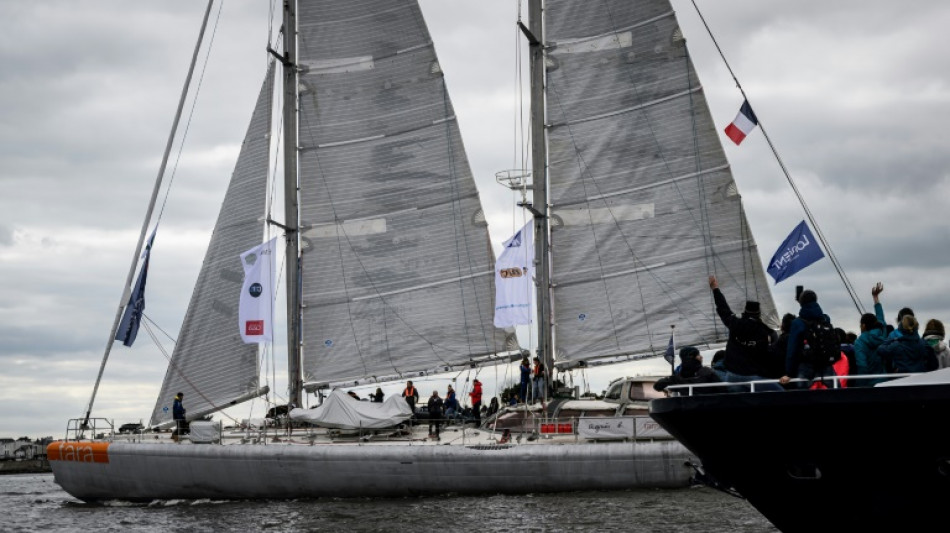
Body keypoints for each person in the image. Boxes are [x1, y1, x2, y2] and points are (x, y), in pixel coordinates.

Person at [708, 275, 780, 390]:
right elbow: (768, 356)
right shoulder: (765, 332)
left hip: (732, 376)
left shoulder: (735, 324)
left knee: (738, 398)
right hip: (753, 376)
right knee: (780, 392)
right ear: (759, 314)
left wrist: (715, 289)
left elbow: (723, 309)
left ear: (745, 312)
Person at [780, 289, 839, 389]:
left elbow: (792, 350)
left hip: (806, 365)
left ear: (801, 303)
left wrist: (789, 373)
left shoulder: (798, 323)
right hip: (825, 363)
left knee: (802, 393)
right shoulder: (826, 319)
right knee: (836, 390)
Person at [852, 282, 888, 387]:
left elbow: (862, 367)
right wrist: (876, 297)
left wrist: (859, 387)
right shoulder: (882, 333)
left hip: (869, 385)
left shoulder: (859, 342)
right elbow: (880, 317)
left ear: (863, 325)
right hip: (884, 382)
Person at [653, 346, 722, 394]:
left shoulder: (678, 377)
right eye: (698, 355)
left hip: (687, 408)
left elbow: (657, 386)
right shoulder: (707, 372)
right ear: (691, 356)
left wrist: (665, 389)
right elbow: (722, 389)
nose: (701, 357)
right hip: (710, 406)